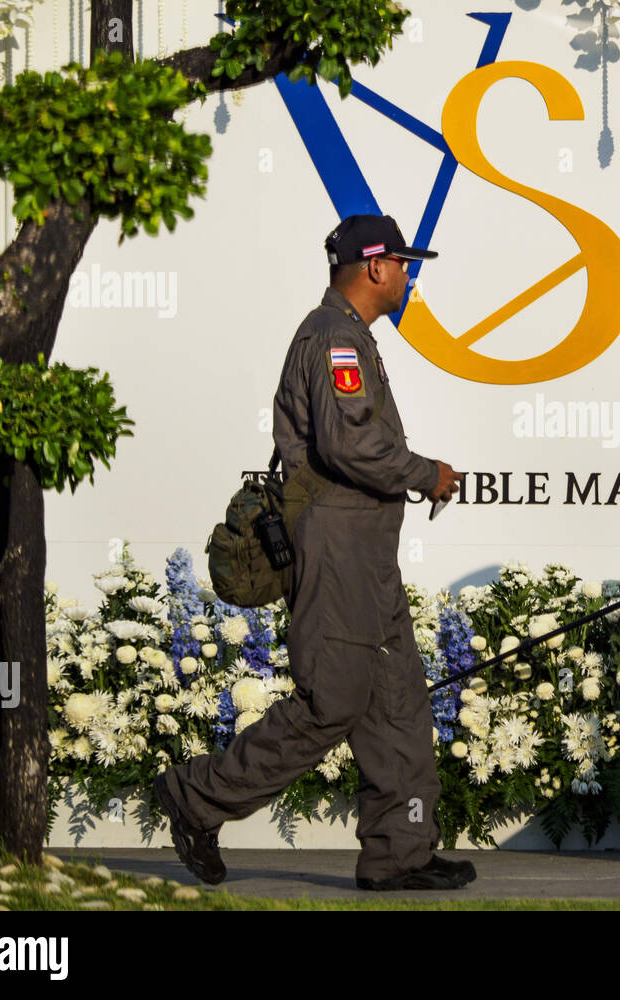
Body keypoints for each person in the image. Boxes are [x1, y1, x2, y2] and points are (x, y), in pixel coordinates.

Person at [155, 213, 473, 891]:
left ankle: (400, 855)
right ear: (377, 267)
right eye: (406, 265)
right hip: (336, 550)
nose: (411, 277)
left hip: (365, 553)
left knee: (398, 705)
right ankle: (196, 798)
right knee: (330, 702)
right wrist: (427, 473)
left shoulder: (347, 335)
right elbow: (348, 445)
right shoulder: (333, 339)